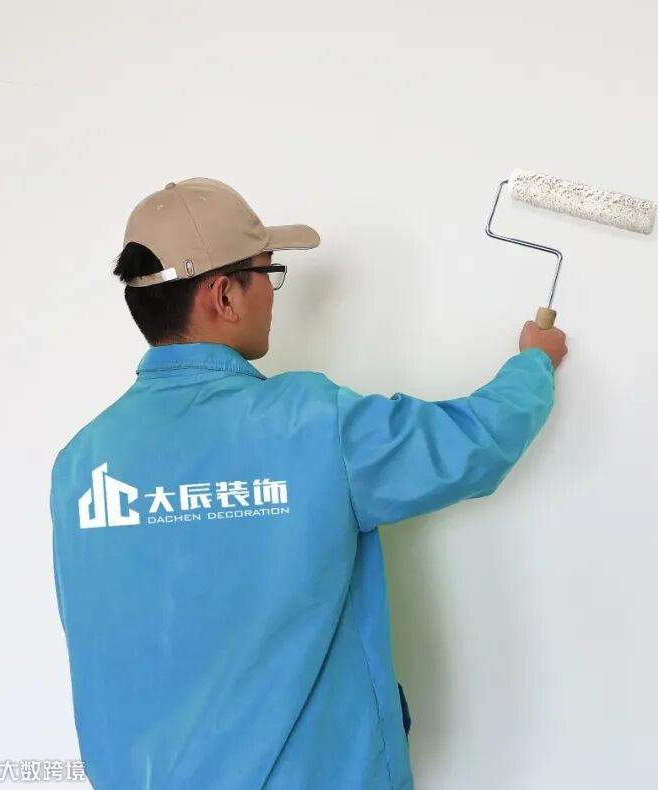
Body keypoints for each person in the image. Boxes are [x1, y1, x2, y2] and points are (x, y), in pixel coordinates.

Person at [49, 177, 567, 789]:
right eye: (268, 274)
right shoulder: (312, 425)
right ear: (224, 295)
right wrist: (535, 361)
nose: (273, 295)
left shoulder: (81, 465)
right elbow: (473, 443)